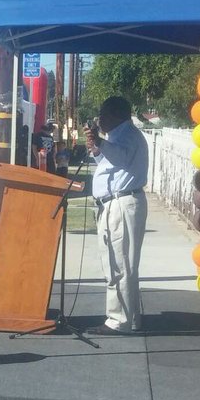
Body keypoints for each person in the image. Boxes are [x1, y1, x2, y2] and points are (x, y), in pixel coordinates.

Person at [84, 96, 149, 335]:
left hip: (121, 203)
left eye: (102, 113)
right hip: (114, 203)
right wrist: (96, 149)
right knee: (121, 263)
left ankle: (118, 320)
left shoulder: (129, 135)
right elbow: (112, 165)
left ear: (115, 114)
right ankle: (129, 317)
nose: (99, 119)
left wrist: (99, 142)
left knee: (119, 265)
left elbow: (120, 157)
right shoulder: (118, 136)